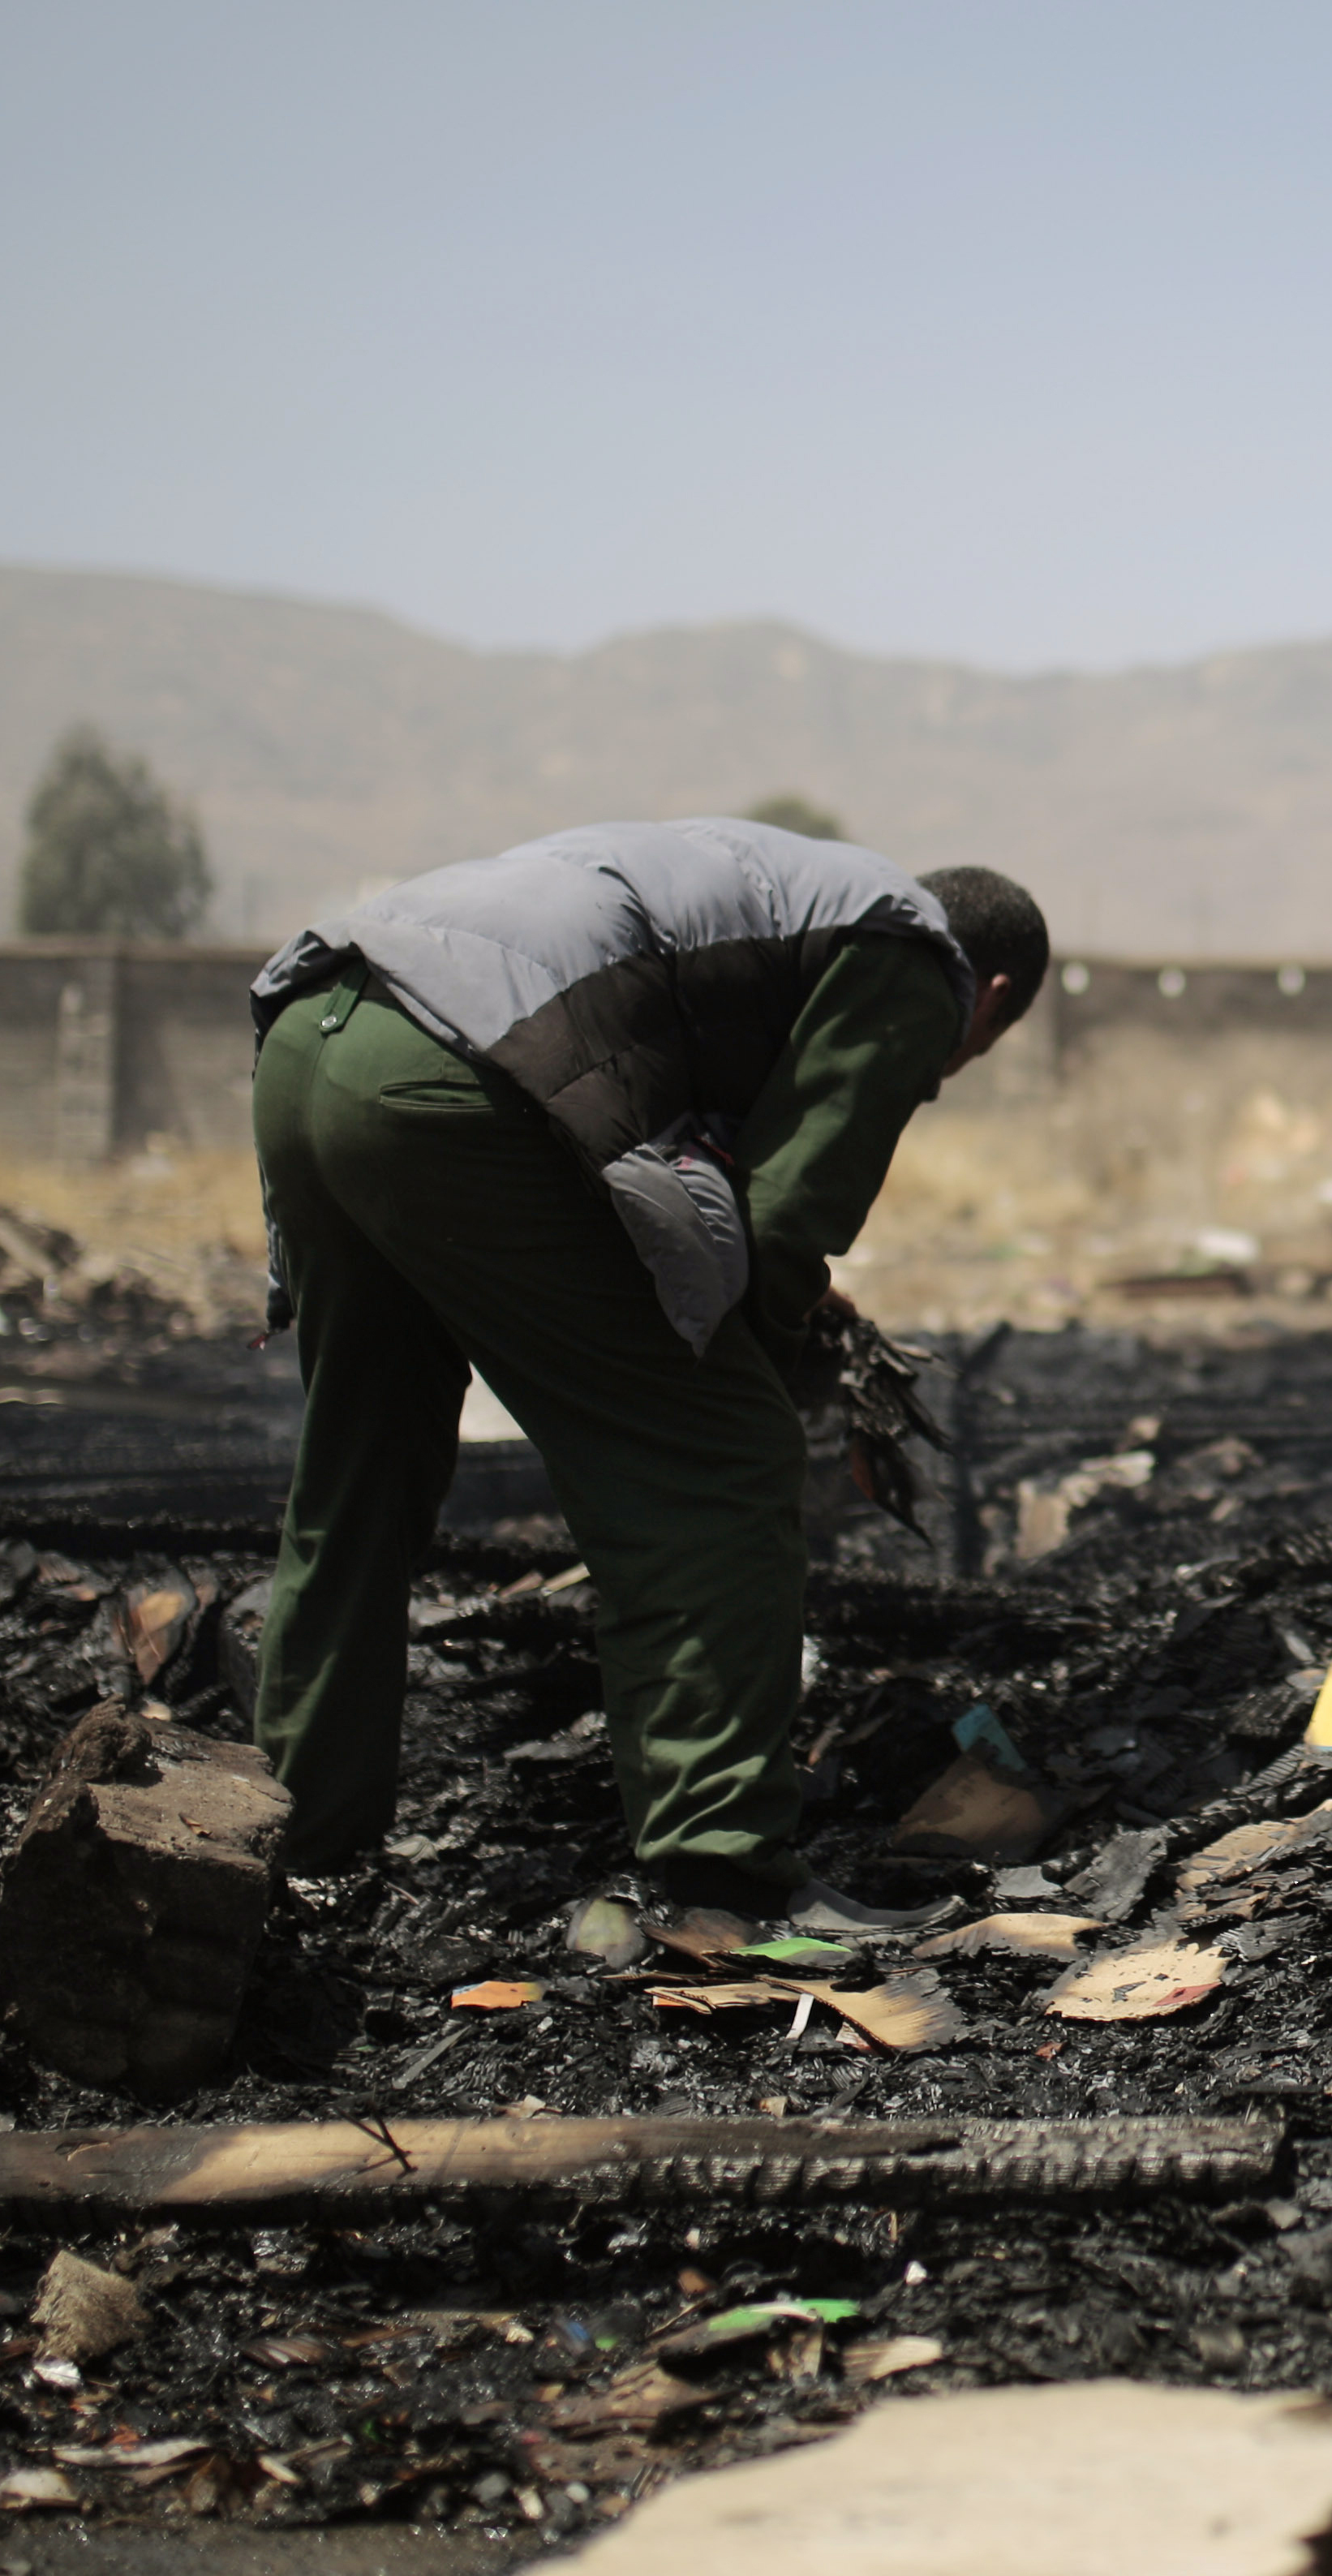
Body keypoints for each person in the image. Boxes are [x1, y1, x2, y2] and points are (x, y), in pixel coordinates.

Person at [240, 819, 1046, 1955]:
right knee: (720, 1456)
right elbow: (783, 1223)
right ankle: (726, 1881)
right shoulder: (917, 959)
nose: (941, 1079)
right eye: (965, 1058)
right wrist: (764, 1382)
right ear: (992, 994)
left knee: (360, 1470)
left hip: (317, 1035)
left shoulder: (780, 908)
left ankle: (303, 1847)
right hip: (456, 1078)